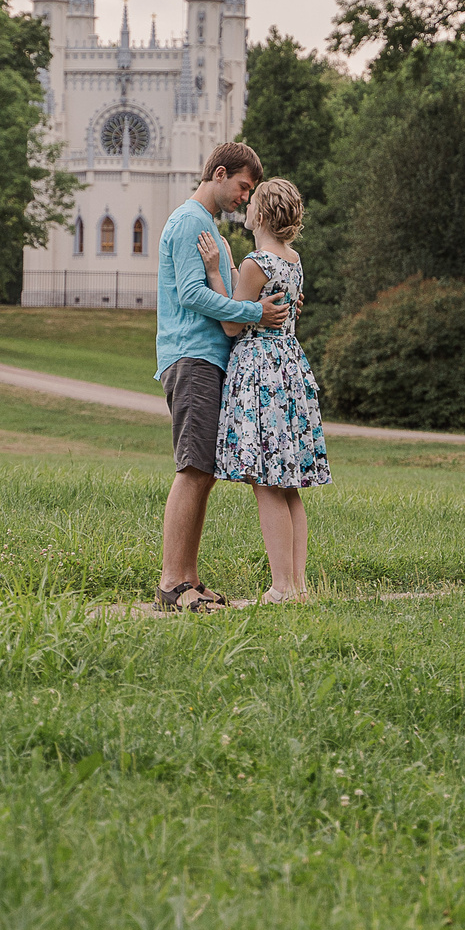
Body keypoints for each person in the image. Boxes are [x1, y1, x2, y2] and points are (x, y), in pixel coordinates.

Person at [153, 142, 290, 613]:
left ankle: (189, 578)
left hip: (207, 358)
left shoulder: (207, 227)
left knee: (203, 471)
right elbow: (192, 294)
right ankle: (173, 584)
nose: (244, 198)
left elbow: (218, 286)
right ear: (219, 173)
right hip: (192, 356)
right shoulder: (191, 220)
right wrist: (255, 311)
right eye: (242, 186)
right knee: (192, 469)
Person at [198, 176, 327, 602]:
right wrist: (236, 270)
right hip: (288, 365)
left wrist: (216, 270)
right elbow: (258, 301)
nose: (246, 205)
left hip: (260, 368)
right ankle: (299, 586)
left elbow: (233, 321)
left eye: (253, 202)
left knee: (267, 481)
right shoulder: (293, 260)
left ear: (262, 215)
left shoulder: (257, 262)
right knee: (287, 484)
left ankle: (280, 586)